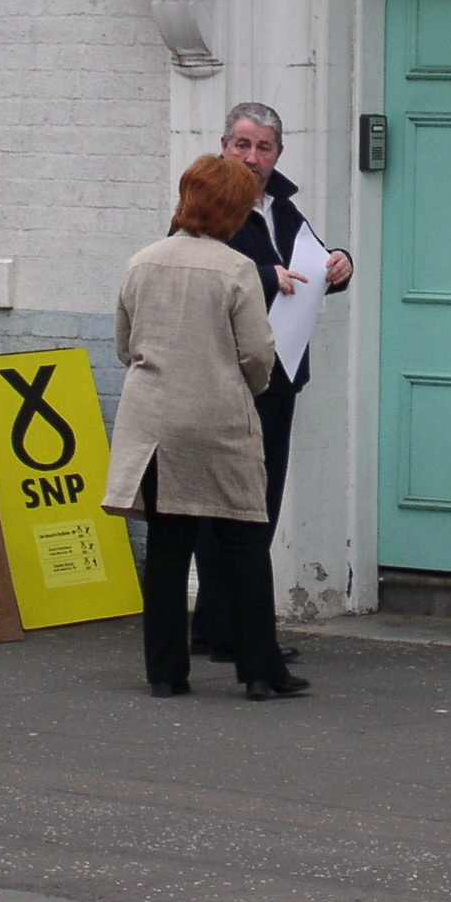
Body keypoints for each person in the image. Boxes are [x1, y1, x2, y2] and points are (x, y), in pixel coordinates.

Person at [104, 155, 309, 700]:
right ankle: (261, 670)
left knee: (169, 546)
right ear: (232, 211)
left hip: (153, 422)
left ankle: (166, 673)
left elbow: (124, 345)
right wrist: (248, 384)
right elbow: (259, 355)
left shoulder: (141, 262)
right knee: (243, 540)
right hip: (218, 418)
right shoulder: (236, 269)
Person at [189, 101, 353, 664]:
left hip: (278, 376)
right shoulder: (207, 205)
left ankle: (222, 624)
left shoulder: (283, 208)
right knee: (225, 506)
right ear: (223, 146)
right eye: (242, 144)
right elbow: (196, 274)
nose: (252, 157)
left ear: (278, 153)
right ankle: (228, 631)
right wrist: (264, 276)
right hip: (227, 375)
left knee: (261, 503)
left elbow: (308, 266)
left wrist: (339, 264)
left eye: (263, 147)